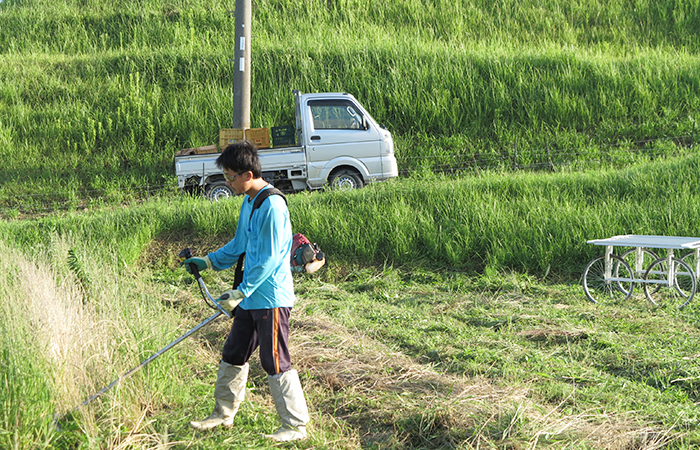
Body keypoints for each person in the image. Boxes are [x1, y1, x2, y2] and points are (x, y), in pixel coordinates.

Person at [182, 140, 309, 442]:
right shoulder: (249, 202)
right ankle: (223, 414)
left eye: (230, 176)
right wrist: (209, 261)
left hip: (270, 297)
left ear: (248, 174)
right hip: (250, 296)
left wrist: (241, 290)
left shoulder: (273, 206)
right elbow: (240, 245)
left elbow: (269, 258)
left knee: (274, 359)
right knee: (234, 352)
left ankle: (294, 426)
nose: (227, 182)